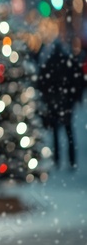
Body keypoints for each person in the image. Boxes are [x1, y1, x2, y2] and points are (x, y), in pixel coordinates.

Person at [36, 38, 84, 169]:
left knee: (57, 133)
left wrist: (47, 98)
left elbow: (42, 83)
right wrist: (74, 98)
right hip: (65, 103)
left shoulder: (50, 63)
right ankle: (71, 160)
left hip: (55, 103)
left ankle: (58, 159)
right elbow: (77, 81)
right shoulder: (67, 62)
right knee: (68, 132)